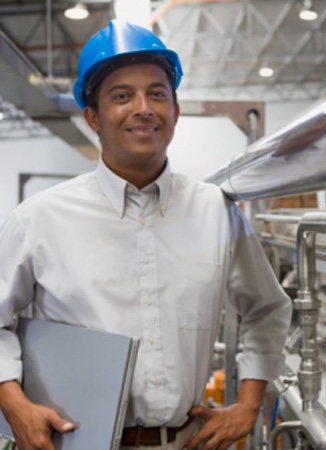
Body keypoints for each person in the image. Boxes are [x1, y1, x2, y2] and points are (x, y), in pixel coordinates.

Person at [0, 20, 292, 450]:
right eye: (122, 96)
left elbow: (267, 309)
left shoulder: (216, 211)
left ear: (174, 111)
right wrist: (14, 405)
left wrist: (248, 405)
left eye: (157, 93)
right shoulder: (39, 219)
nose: (144, 108)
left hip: (185, 441)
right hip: (76, 443)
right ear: (93, 117)